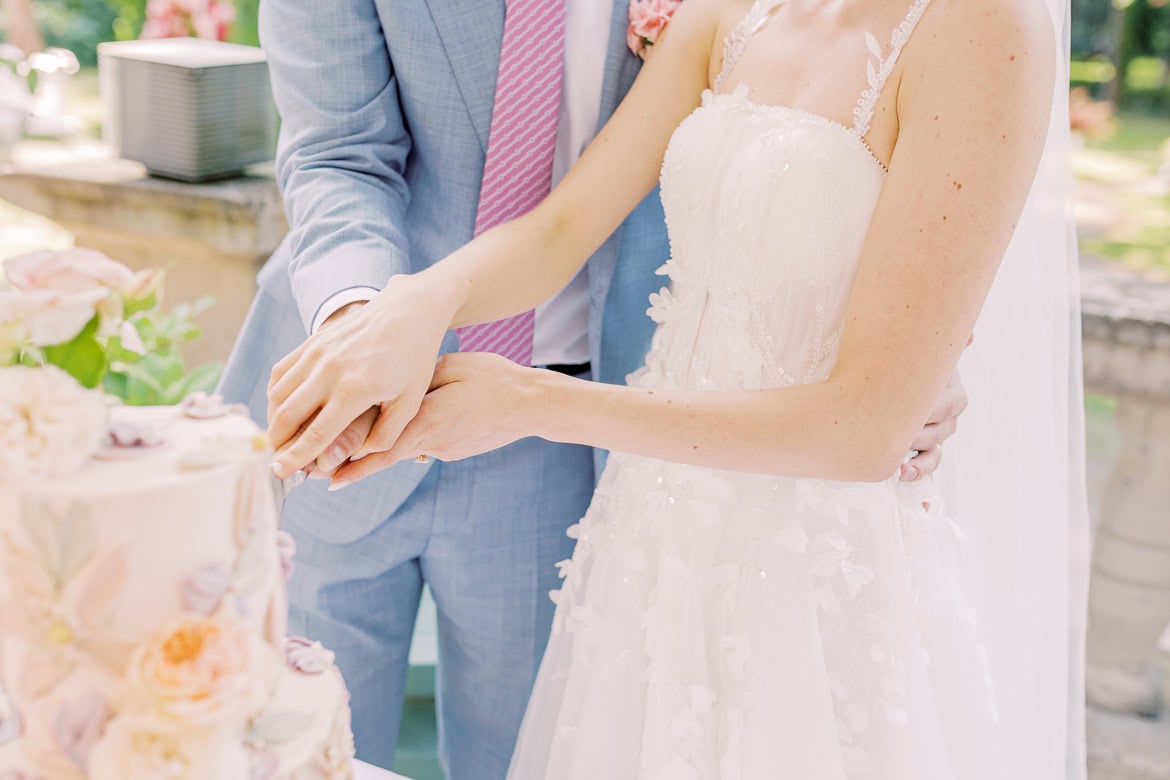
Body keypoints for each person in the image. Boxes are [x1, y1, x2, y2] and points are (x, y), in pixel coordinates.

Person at [267, 0, 1085, 776]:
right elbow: (559, 229)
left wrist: (529, 404)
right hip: (653, 534)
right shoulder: (728, 7)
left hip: (815, 563)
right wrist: (417, 305)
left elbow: (864, 429)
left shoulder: (985, 28)